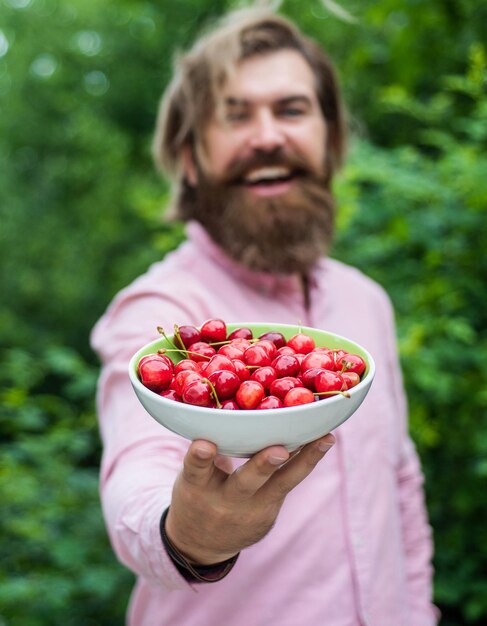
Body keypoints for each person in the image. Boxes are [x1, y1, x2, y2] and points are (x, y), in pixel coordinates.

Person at [91, 8, 439, 626]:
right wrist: (189, 536)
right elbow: (135, 477)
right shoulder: (164, 314)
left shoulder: (366, 303)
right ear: (189, 157)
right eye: (235, 114)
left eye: (292, 109)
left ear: (331, 141)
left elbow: (400, 492)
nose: (268, 136)